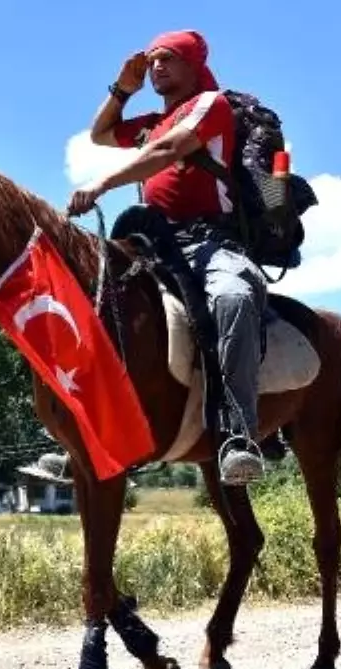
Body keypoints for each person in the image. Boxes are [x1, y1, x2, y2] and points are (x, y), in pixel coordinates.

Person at [66, 29, 266, 486]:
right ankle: (84, 432)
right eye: (152, 60)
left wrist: (100, 185)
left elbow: (167, 150)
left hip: (208, 239)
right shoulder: (152, 119)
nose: (156, 66)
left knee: (233, 296)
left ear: (193, 66)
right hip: (152, 239)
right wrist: (122, 89)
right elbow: (99, 134)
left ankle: (239, 436)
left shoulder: (210, 104)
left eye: (168, 59)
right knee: (92, 301)